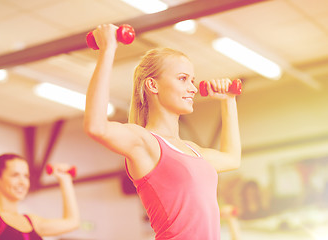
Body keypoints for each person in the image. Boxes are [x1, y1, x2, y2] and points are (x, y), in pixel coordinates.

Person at [84, 24, 241, 240]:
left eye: (192, 80)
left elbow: (232, 158)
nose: (193, 88)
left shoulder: (192, 150)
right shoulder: (145, 142)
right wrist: (108, 49)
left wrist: (229, 101)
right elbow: (96, 127)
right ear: (153, 85)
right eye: (183, 79)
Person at [0, 153, 80, 240]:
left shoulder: (32, 222)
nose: (22, 182)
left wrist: (65, 179)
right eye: (15, 175)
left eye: (26, 176)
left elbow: (72, 222)